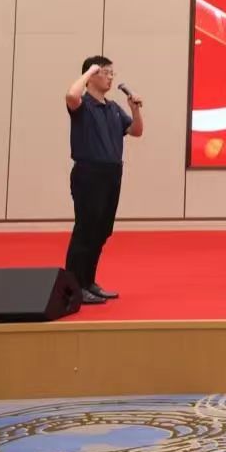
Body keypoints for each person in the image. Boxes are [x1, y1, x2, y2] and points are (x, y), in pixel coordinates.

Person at [64, 56, 144, 305]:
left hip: (112, 175)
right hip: (89, 174)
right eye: (105, 72)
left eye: (112, 73)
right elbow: (71, 95)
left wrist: (135, 109)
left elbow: (136, 131)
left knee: (101, 231)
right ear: (91, 76)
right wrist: (90, 71)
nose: (110, 77)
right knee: (85, 230)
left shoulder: (113, 108)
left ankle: (89, 282)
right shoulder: (83, 105)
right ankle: (75, 287)